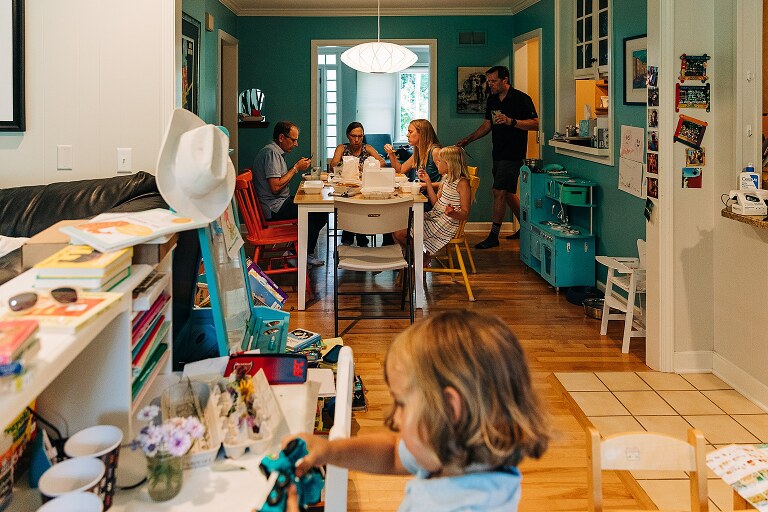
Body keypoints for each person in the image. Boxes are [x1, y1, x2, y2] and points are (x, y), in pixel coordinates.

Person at [283, 310, 550, 512]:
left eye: (401, 403)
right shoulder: (462, 457)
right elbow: (393, 454)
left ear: (449, 409)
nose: (395, 420)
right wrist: (329, 451)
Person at [457, 65, 539, 249]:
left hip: (513, 153)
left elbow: (536, 124)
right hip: (498, 153)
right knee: (508, 193)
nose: (490, 84)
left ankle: (493, 236)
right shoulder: (493, 99)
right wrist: (468, 139)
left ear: (505, 80)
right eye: (489, 81)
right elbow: (487, 125)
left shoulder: (521, 99)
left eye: (493, 81)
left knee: (498, 191)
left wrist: (512, 122)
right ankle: (527, 226)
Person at [252, 121, 327, 267]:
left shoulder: (275, 152)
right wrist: (296, 168)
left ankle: (302, 253)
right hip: (274, 208)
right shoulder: (271, 153)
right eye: (293, 140)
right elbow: (275, 187)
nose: (296, 144)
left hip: (278, 203)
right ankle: (296, 254)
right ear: (281, 137)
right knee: (317, 212)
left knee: (318, 209)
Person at [392, 146, 471, 263]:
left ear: (449, 164)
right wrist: (428, 181)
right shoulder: (445, 179)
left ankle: (421, 257)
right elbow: (435, 204)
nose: (436, 163)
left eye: (439, 161)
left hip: (445, 224)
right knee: (396, 226)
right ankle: (414, 257)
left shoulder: (462, 183)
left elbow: (465, 214)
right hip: (435, 217)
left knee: (399, 233)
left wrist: (453, 212)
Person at [330, 122, 386, 247]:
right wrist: (350, 166)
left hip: (363, 187)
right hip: (346, 186)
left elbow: (382, 163)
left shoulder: (368, 148)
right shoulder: (342, 148)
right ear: (347, 136)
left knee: (362, 205)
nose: (356, 139)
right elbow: (333, 165)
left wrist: (368, 166)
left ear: (363, 136)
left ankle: (355, 235)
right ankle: (354, 236)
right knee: (348, 205)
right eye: (353, 136)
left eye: (360, 136)